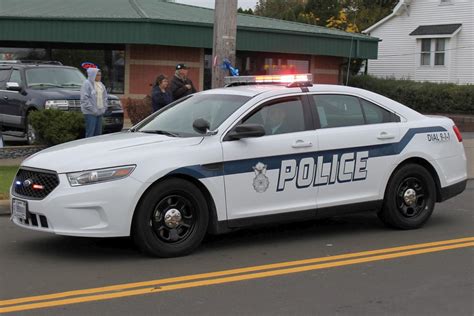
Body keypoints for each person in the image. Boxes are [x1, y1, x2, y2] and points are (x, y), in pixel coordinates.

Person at [80, 68, 107, 138]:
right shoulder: (87, 84)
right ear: (92, 75)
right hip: (90, 113)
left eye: (100, 75)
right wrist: (93, 110)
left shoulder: (101, 85)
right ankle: (88, 147)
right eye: (97, 75)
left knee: (98, 134)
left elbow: (105, 97)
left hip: (100, 112)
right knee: (90, 133)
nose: (99, 77)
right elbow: (84, 99)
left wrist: (104, 108)